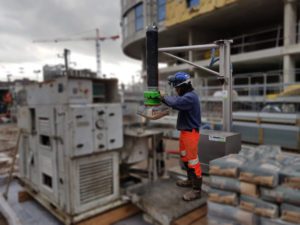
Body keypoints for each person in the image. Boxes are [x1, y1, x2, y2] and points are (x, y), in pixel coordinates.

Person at [161, 71, 202, 201]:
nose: (176, 90)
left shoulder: (190, 97)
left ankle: (196, 190)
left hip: (191, 134)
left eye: (177, 87)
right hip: (185, 133)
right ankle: (190, 180)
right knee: (185, 158)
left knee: (193, 161)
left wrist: (162, 97)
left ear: (183, 86)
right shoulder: (187, 97)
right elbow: (176, 103)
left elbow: (176, 103)